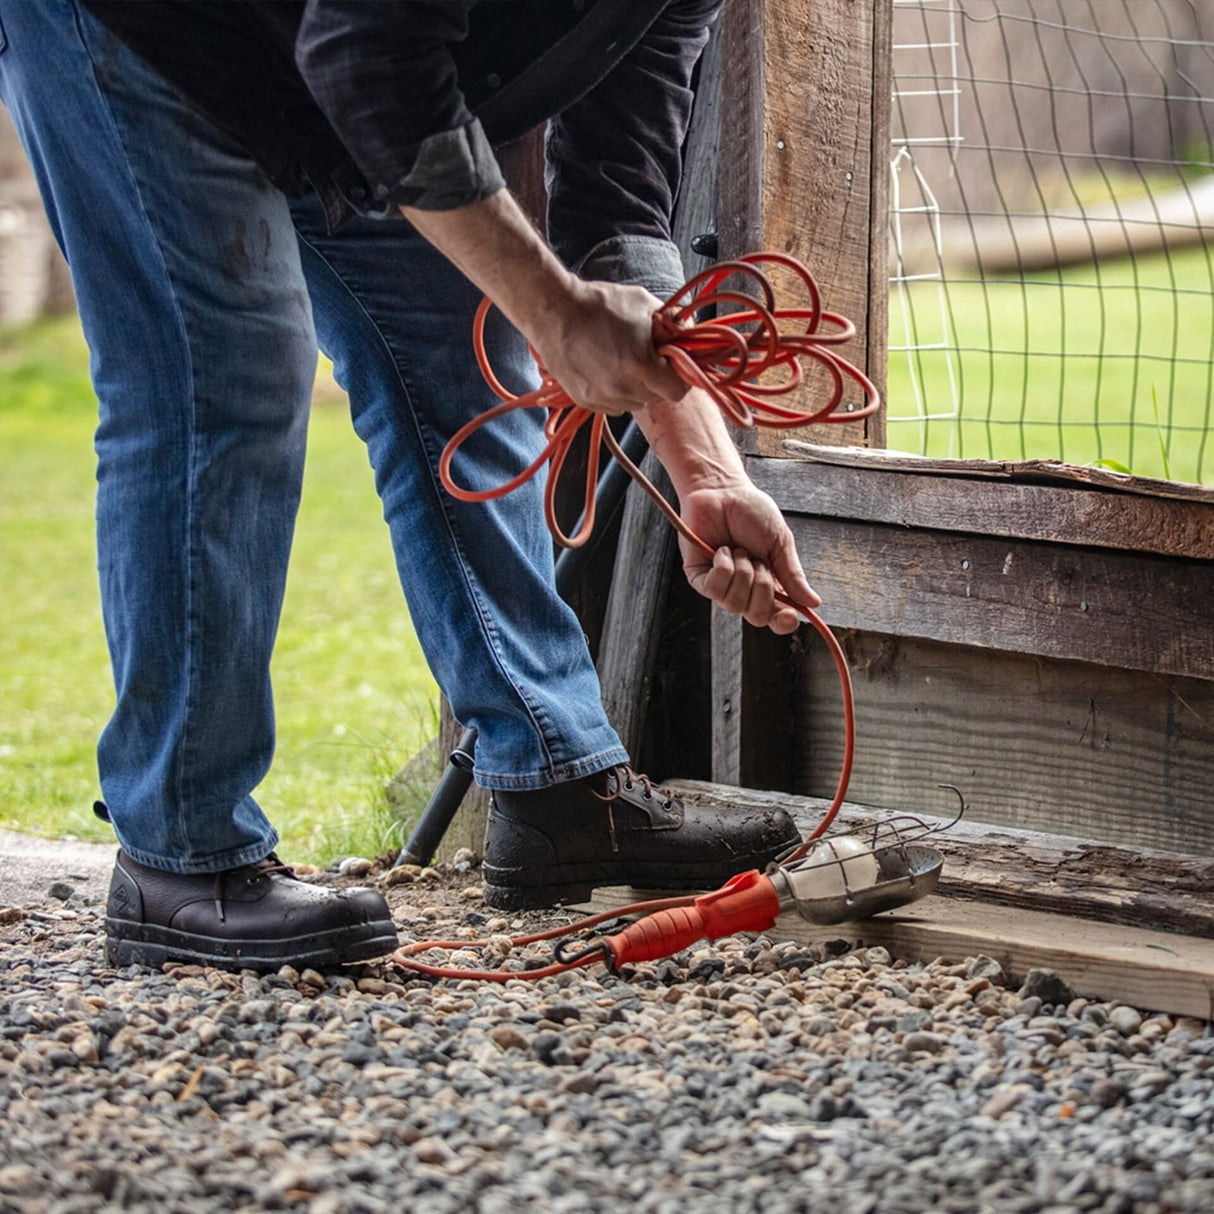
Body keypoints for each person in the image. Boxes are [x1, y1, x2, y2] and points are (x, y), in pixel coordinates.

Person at [0, 0, 817, 973]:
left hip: (332, 61)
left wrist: (704, 469)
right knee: (220, 378)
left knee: (463, 361)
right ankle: (181, 855)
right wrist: (555, 311)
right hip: (148, 29)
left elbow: (617, 203)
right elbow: (367, 58)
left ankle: (555, 783)